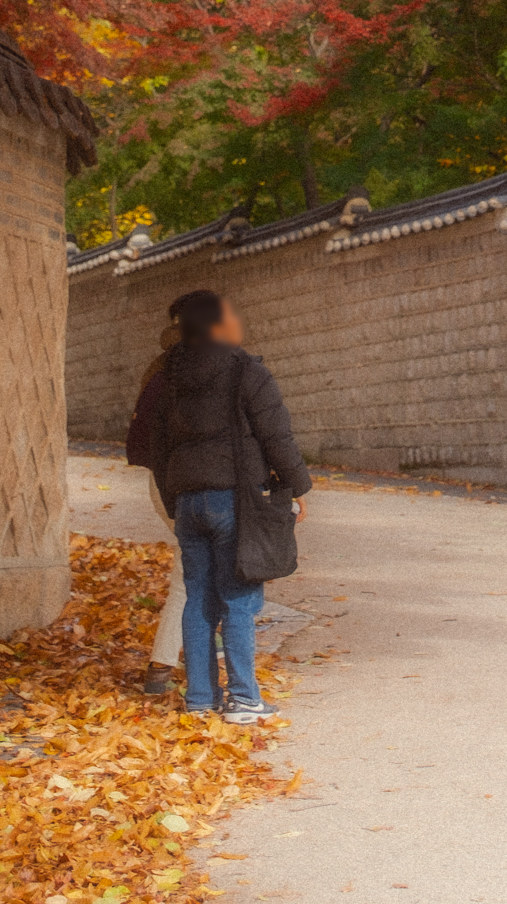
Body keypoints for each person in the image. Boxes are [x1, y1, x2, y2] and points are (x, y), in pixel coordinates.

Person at [149, 287, 312, 721]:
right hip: (233, 499)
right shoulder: (246, 372)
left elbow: (158, 445)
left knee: (198, 598)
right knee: (239, 599)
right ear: (218, 324)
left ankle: (200, 698)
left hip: (188, 501)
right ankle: (243, 698)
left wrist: (175, 499)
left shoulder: (168, 377)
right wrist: (298, 487)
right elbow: (277, 436)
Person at [126, 323, 187, 698]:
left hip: (161, 482)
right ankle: (163, 664)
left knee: (198, 564)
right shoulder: (187, 383)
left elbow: (139, 443)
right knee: (191, 568)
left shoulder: (157, 377)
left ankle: (183, 652)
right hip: (184, 485)